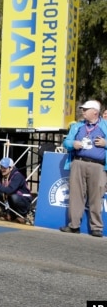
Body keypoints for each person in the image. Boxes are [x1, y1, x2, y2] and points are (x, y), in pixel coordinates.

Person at [60, 100, 107, 238]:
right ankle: (74, 225)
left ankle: (96, 227)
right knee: (75, 195)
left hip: (98, 165)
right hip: (78, 162)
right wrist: (72, 144)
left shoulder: (105, 125)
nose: (83, 111)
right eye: (83, 109)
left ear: (95, 112)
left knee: (96, 196)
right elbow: (66, 141)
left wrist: (105, 143)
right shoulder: (78, 126)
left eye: (86, 109)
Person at [0, 157, 32, 223]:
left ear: (11, 168)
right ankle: (9, 214)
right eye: (1, 167)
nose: (2, 169)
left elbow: (9, 190)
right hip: (10, 199)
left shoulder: (17, 176)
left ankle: (23, 215)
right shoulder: (2, 175)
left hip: (24, 199)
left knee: (14, 197)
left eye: (4, 168)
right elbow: (0, 189)